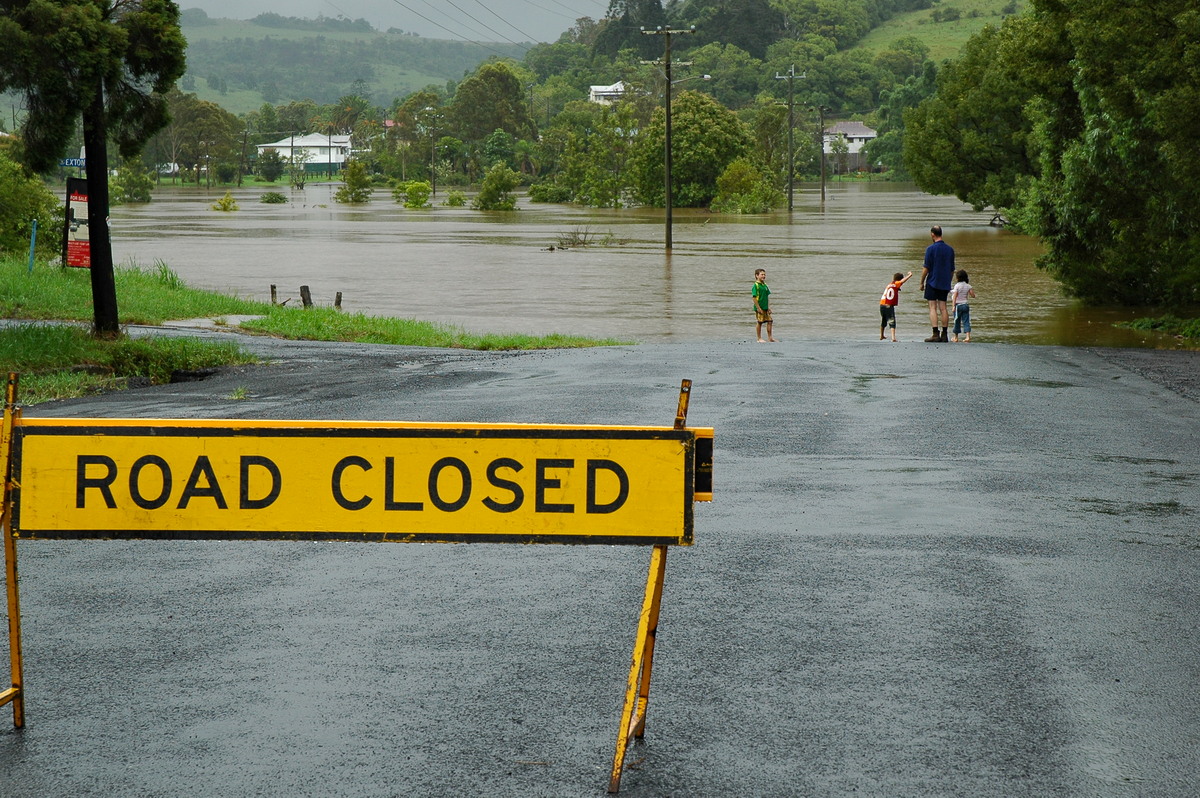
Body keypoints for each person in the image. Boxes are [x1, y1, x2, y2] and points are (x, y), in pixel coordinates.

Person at [919, 225, 955, 342]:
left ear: (932, 234)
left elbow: (926, 268)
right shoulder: (950, 249)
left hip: (933, 281)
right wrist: (948, 281)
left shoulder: (930, 249)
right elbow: (952, 269)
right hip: (945, 282)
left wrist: (921, 282)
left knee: (932, 307)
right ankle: (944, 334)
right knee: (943, 308)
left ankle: (935, 333)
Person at [879, 270, 913, 342]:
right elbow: (902, 281)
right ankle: (893, 338)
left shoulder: (889, 284)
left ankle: (881, 335)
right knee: (892, 320)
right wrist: (909, 275)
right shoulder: (896, 284)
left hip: (882, 304)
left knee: (884, 320)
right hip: (888, 305)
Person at [949, 269, 977, 342]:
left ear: (958, 278)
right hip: (965, 305)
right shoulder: (968, 286)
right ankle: (967, 336)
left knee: (957, 321)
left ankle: (956, 337)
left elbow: (955, 296)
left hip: (958, 305)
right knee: (966, 321)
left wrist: (953, 306)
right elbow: (972, 295)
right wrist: (974, 295)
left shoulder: (957, 286)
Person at [752, 268, 776, 342]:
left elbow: (767, 296)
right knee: (760, 322)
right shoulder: (756, 285)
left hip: (765, 307)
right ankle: (759, 338)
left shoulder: (765, 285)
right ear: (757, 275)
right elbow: (754, 298)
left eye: (764, 274)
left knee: (770, 321)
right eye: (762, 274)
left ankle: (770, 337)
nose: (763, 276)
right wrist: (758, 308)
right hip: (759, 307)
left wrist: (768, 307)